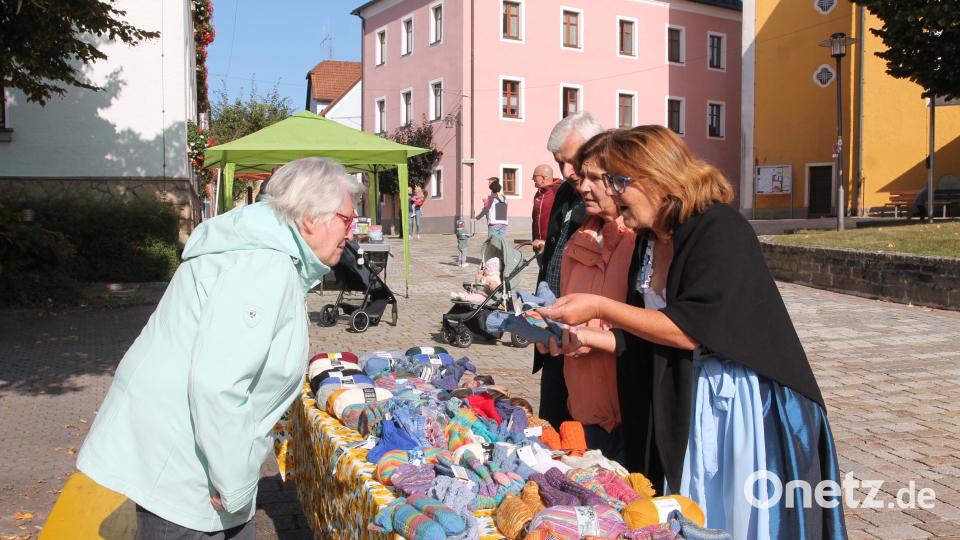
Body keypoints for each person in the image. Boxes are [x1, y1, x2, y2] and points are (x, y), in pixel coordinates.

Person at [538, 126, 846, 539]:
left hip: (737, 405)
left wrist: (598, 307)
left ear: (655, 178)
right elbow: (650, 331)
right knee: (690, 508)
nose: (611, 193)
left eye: (617, 182)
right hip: (684, 398)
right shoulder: (652, 239)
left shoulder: (719, 228)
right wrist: (585, 336)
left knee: (733, 513)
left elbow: (690, 329)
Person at [77, 157, 365, 537]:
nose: (352, 230)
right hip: (185, 475)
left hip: (190, 460)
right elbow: (218, 385)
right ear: (311, 217)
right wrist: (236, 483)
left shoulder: (264, 253)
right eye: (347, 218)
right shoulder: (264, 265)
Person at [557, 131, 636, 464]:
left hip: (627, 413)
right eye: (581, 178)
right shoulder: (580, 237)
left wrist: (591, 336)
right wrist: (551, 333)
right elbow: (568, 309)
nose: (581, 186)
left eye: (593, 178)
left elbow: (651, 331)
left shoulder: (639, 240)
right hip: (584, 409)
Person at [533, 111, 604, 429]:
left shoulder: (609, 199)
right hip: (553, 334)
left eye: (572, 160)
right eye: (558, 162)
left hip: (589, 340)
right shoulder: (563, 191)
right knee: (553, 422)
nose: (566, 171)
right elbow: (553, 257)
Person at [531, 164, 561, 256]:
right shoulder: (538, 193)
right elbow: (535, 219)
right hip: (538, 244)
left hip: (553, 245)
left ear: (544, 177)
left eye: (535, 176)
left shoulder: (558, 192)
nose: (532, 179)